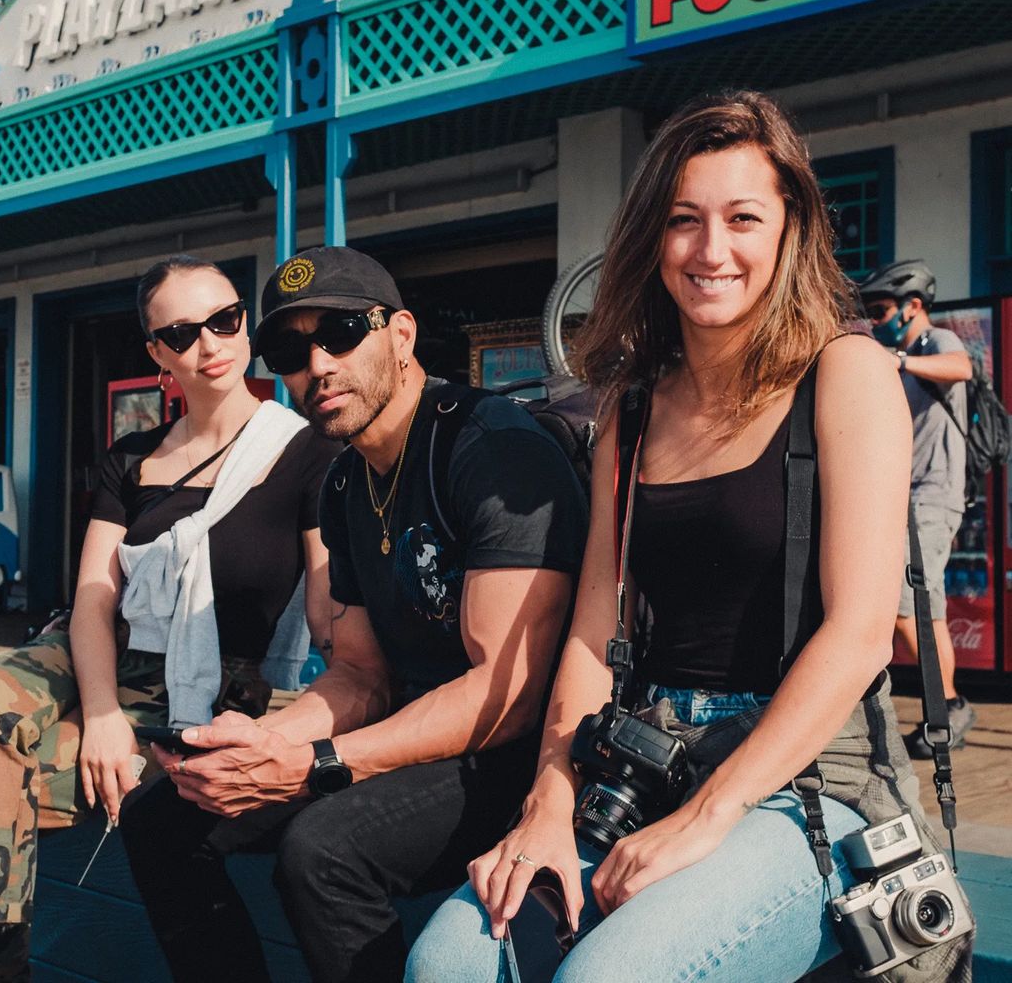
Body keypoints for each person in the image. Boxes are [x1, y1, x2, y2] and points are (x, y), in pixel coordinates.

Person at [407, 92, 973, 983]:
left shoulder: (847, 372)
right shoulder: (631, 412)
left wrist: (708, 817)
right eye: (684, 220)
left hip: (808, 774)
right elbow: (593, 634)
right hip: (646, 752)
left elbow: (862, 632)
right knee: (449, 963)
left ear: (789, 232)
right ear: (652, 238)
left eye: (743, 218)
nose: (712, 250)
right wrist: (549, 798)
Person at [119, 245, 589, 983]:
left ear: (401, 334)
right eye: (288, 352)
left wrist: (316, 765)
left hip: (515, 756)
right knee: (164, 814)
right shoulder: (345, 482)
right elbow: (361, 674)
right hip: (408, 731)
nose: (317, 365)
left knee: (322, 852)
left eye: (340, 333)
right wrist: (259, 744)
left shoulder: (490, 449)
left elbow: (506, 697)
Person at [0, 256, 339, 983]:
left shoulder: (307, 451)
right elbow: (95, 594)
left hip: (204, 681)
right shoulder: (132, 457)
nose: (209, 344)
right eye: (181, 334)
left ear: (245, 324)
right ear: (157, 353)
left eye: (224, 320)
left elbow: (331, 608)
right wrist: (100, 715)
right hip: (95, 648)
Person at [858, 260, 976, 757]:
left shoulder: (935, 342)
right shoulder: (902, 357)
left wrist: (900, 361)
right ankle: (943, 707)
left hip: (934, 495)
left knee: (912, 605)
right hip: (905, 497)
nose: (875, 319)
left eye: (881, 310)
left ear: (912, 306)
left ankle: (947, 706)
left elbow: (963, 367)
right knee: (913, 607)